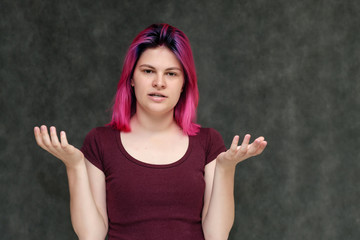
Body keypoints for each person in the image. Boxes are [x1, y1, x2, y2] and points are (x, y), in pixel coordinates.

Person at [34, 23, 267, 240]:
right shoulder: (100, 142)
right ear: (131, 78)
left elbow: (216, 236)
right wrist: (74, 166)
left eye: (171, 73)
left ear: (184, 83)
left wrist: (226, 168)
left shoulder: (208, 142)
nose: (159, 83)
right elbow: (91, 235)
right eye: (148, 71)